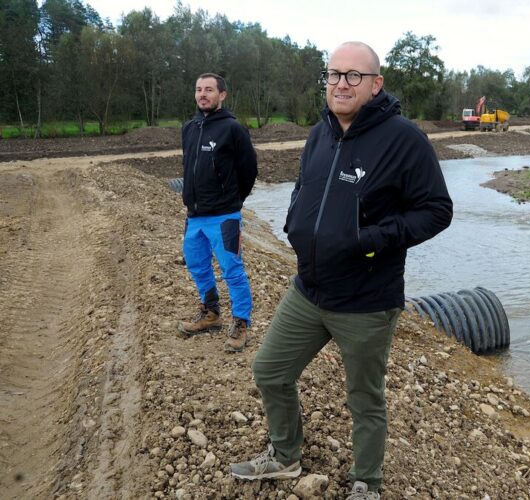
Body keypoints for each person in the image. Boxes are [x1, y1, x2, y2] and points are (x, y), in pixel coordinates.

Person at [229, 42, 453, 498]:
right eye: (334, 74)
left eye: (354, 75)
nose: (342, 84)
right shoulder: (321, 132)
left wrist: (371, 239)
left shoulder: (404, 139)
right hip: (309, 290)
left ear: (376, 84)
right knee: (270, 370)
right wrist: (294, 222)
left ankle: (367, 483)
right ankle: (285, 457)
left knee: (364, 399)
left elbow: (437, 210)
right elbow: (305, 187)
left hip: (366, 301)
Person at [177, 72, 258, 353]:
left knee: (232, 270)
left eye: (209, 89)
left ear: (222, 95)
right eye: (199, 89)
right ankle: (211, 313)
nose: (203, 94)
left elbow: (249, 171)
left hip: (224, 216)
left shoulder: (233, 129)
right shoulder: (189, 128)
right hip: (194, 215)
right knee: (196, 264)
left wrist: (233, 201)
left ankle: (241, 323)